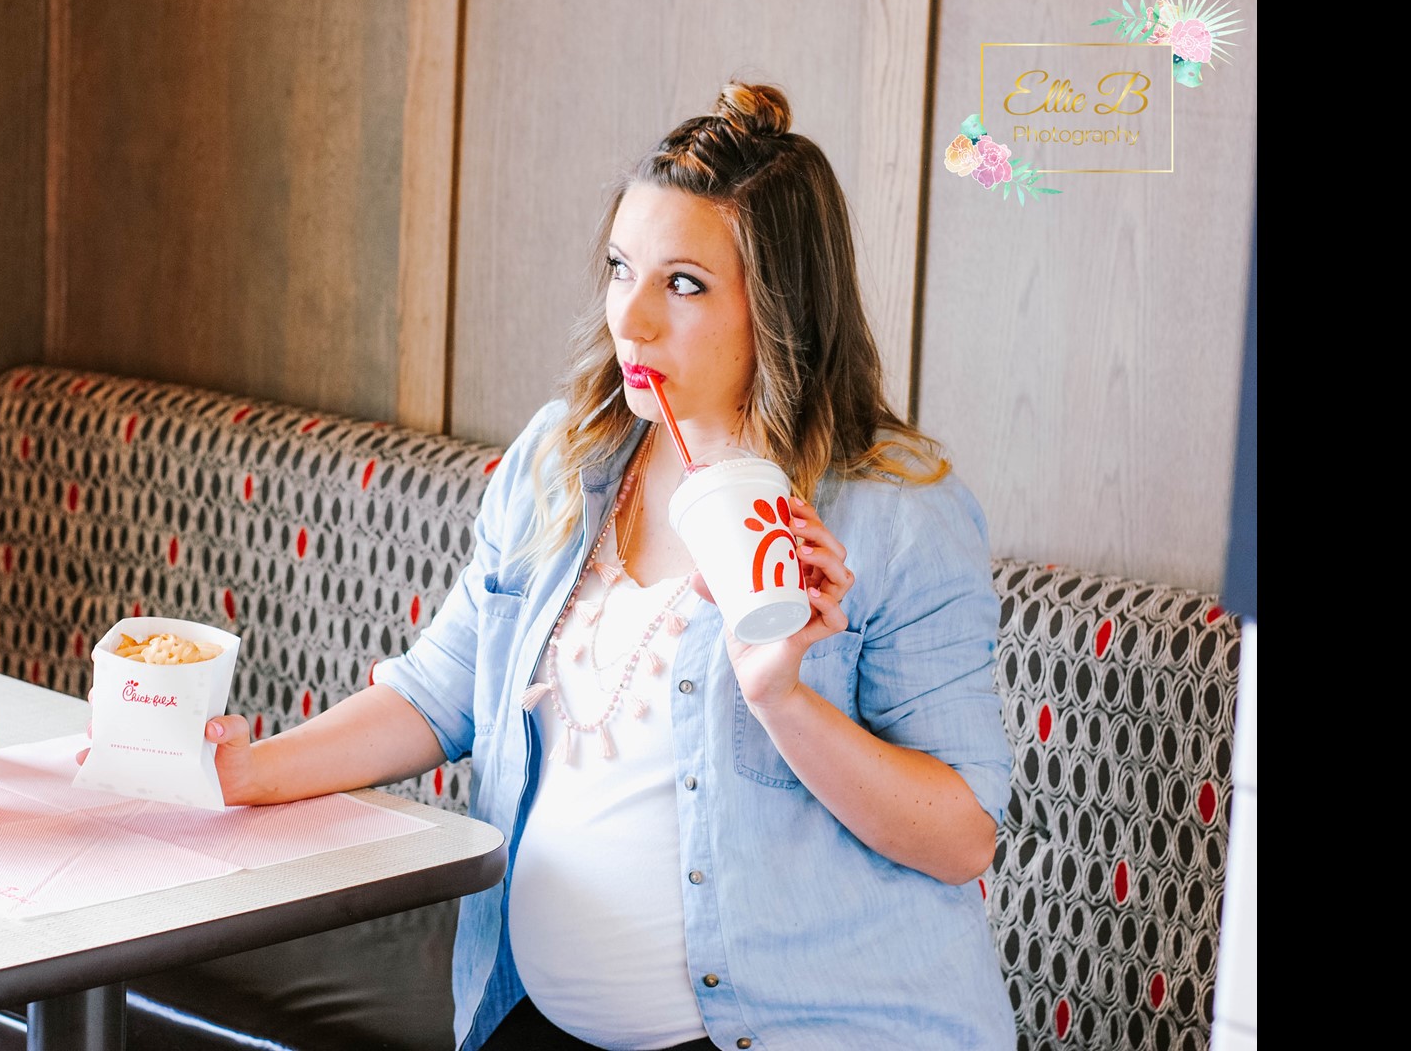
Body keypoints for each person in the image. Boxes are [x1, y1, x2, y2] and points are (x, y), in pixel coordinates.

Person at [193, 83, 1015, 1049]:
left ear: (781, 307)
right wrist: (254, 773)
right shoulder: (564, 456)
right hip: (528, 1016)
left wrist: (782, 698)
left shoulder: (896, 515)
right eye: (623, 269)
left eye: (684, 284)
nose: (633, 320)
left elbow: (962, 838)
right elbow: (442, 692)